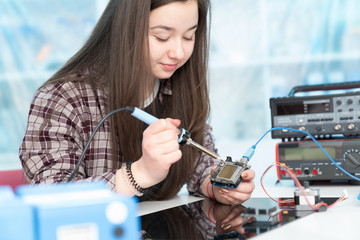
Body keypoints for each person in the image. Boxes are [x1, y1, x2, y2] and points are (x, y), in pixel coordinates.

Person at [19, 0, 255, 205]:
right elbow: (51, 198)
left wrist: (217, 186)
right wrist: (139, 173)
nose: (179, 52)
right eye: (162, 37)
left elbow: (198, 163)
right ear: (125, 30)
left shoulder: (179, 84)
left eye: (189, 36)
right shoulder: (62, 98)